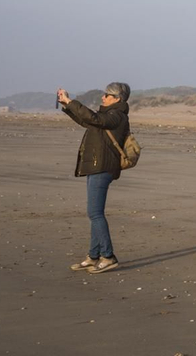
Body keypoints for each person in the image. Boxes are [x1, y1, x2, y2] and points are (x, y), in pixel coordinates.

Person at [58, 82, 130, 274]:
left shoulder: (117, 116)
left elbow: (93, 118)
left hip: (103, 168)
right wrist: (67, 105)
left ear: (117, 99)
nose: (103, 97)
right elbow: (86, 120)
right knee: (94, 213)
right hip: (97, 167)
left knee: (95, 213)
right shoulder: (107, 116)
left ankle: (108, 256)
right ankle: (93, 256)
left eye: (107, 95)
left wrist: (71, 101)